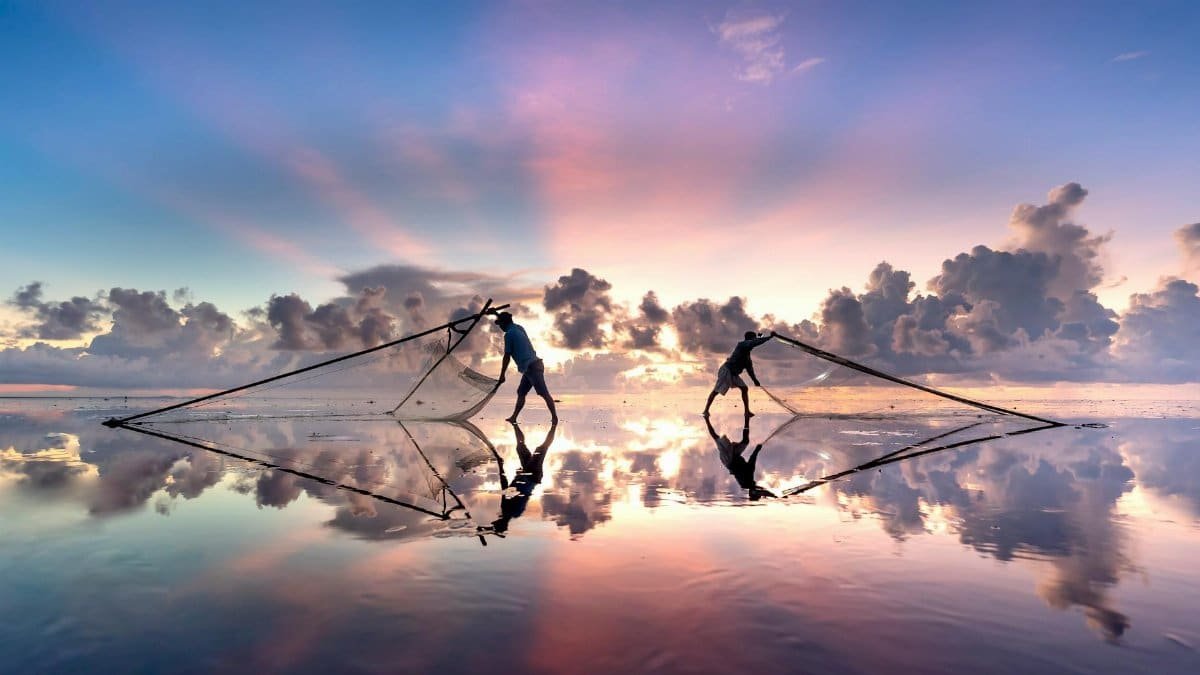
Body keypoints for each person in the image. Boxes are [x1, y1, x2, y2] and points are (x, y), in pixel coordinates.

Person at [480, 420, 558, 535]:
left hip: (529, 475)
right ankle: (554, 425)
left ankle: (515, 423)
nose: (494, 521)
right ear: (500, 522)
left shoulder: (515, 514)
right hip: (531, 475)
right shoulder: (507, 509)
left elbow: (518, 490)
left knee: (521, 447)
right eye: (495, 523)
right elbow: (505, 484)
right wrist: (501, 466)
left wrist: (485, 529)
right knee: (541, 449)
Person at [495, 311, 558, 423]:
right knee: (521, 392)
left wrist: (502, 375)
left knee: (544, 393)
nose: (500, 327)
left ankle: (554, 418)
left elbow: (507, 356)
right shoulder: (519, 328)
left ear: (504, 323)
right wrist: (495, 313)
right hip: (529, 368)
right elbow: (505, 319)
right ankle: (514, 417)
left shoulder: (509, 335)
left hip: (533, 367)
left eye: (500, 324)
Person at [703, 330, 776, 417]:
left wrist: (755, 380)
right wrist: (769, 337)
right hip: (726, 370)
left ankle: (747, 411)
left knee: (744, 388)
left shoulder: (747, 358)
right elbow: (753, 343)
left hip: (734, 374)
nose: (754, 341)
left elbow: (750, 370)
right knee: (716, 391)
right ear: (749, 339)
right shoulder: (742, 345)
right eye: (753, 339)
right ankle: (706, 410)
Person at [706, 416, 776, 500]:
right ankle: (747, 418)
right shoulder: (749, 484)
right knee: (745, 441)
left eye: (756, 494)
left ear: (753, 492)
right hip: (735, 456)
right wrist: (773, 495)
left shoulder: (747, 482)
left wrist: (757, 450)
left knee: (716, 438)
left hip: (729, 460)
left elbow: (752, 460)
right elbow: (760, 490)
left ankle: (706, 419)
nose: (758, 493)